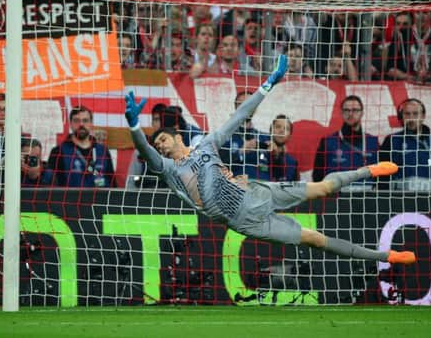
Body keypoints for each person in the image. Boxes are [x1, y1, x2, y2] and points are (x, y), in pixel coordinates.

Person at [124, 55, 416, 265]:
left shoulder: (206, 144)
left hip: (257, 191)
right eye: (157, 144)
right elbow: (146, 151)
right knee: (315, 239)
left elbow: (238, 117)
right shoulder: (171, 171)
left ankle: (369, 170)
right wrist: (135, 127)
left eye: (162, 139)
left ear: (177, 137)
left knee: (323, 188)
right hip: (247, 221)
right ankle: (386, 256)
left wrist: (267, 84)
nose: (159, 146)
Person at [379, 98, 431, 191]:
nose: (411, 118)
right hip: (400, 202)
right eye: (407, 114)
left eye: (415, 114)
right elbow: (381, 176)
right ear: (401, 116)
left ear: (423, 116)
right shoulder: (391, 141)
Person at [312, 95, 379, 191]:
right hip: (335, 200)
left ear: (362, 113)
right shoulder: (327, 142)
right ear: (341, 113)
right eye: (347, 110)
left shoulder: (373, 142)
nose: (351, 114)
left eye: (355, 110)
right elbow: (317, 176)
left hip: (365, 200)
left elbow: (380, 176)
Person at [47, 106, 117, 187]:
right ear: (70, 124)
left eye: (85, 120)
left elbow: (112, 185)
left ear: (91, 124)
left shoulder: (103, 151)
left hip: (99, 199)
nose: (81, 124)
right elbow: (51, 189)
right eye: (76, 120)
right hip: (70, 199)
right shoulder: (58, 152)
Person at [220, 91, 270, 180]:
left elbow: (281, 171)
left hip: (264, 189)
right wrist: (240, 152)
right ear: (236, 108)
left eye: (251, 103)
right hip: (237, 187)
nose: (247, 106)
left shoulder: (265, 138)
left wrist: (278, 154)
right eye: (242, 104)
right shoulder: (223, 137)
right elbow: (219, 166)